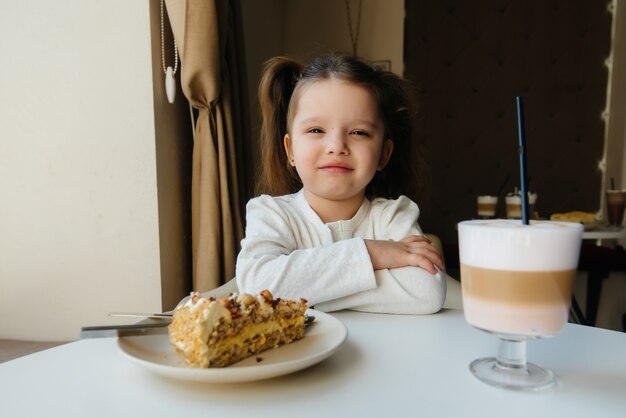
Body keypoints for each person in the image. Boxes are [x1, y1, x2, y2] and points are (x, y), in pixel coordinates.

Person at [235, 52, 446, 314]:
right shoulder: (270, 213)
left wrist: (299, 292)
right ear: (290, 150)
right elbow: (258, 286)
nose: (336, 146)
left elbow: (426, 291)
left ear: (383, 154)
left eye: (359, 132)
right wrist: (374, 253)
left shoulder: (393, 214)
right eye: (316, 130)